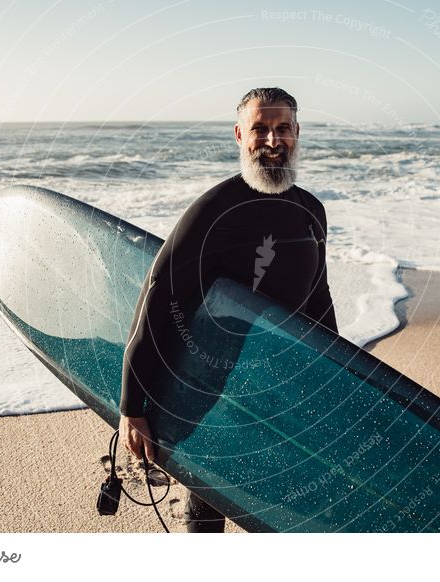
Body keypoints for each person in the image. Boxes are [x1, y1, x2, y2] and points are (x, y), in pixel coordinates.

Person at [119, 87, 338, 532]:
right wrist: (131, 406)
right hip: (211, 387)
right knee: (208, 501)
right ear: (240, 135)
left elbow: (319, 302)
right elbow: (159, 299)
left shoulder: (311, 211)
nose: (272, 141)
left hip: (280, 386)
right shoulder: (215, 211)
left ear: (297, 133)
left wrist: (336, 381)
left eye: (282, 129)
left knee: (287, 505)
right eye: (260, 129)